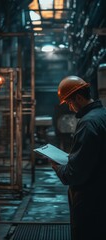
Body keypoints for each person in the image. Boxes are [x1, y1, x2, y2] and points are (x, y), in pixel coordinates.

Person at [51, 75, 106, 240]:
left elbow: (75, 174)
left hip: (90, 201)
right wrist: (74, 157)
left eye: (69, 102)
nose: (69, 108)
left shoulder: (88, 123)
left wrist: (58, 166)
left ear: (79, 98)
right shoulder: (102, 115)